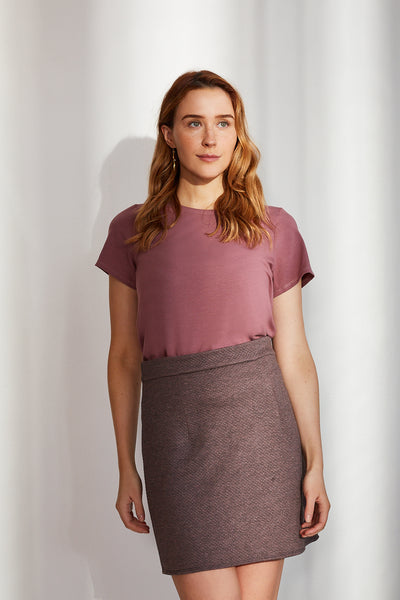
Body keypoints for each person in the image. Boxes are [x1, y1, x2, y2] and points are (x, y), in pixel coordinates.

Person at [95, 70, 331, 600]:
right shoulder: (133, 229)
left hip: (261, 434)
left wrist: (315, 464)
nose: (209, 138)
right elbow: (125, 357)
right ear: (168, 134)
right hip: (177, 435)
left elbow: (294, 353)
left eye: (223, 123)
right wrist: (125, 465)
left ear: (237, 134)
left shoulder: (274, 227)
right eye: (193, 123)